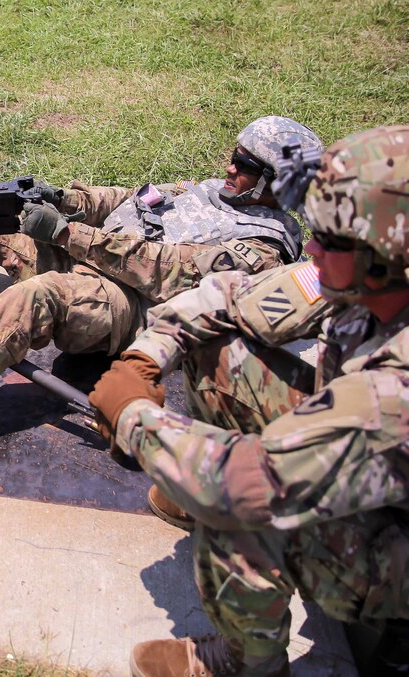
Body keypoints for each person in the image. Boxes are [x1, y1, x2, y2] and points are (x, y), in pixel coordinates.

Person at [89, 125, 409, 676]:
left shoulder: (396, 389)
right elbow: (225, 297)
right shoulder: (364, 277)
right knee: (218, 347)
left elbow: (242, 483)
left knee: (237, 521)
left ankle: (248, 664)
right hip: (366, 469)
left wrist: (133, 418)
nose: (310, 246)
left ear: (384, 257)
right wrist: (141, 362)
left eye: (329, 240)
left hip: (396, 547)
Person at [0, 116, 321, 442]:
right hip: (93, 257)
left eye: (245, 165)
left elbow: (166, 271)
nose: (229, 167)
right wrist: (65, 199)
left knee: (38, 296)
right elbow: (133, 199)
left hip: (130, 309)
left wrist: (69, 234)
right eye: (235, 155)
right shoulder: (215, 193)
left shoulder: (265, 248)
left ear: (276, 183)